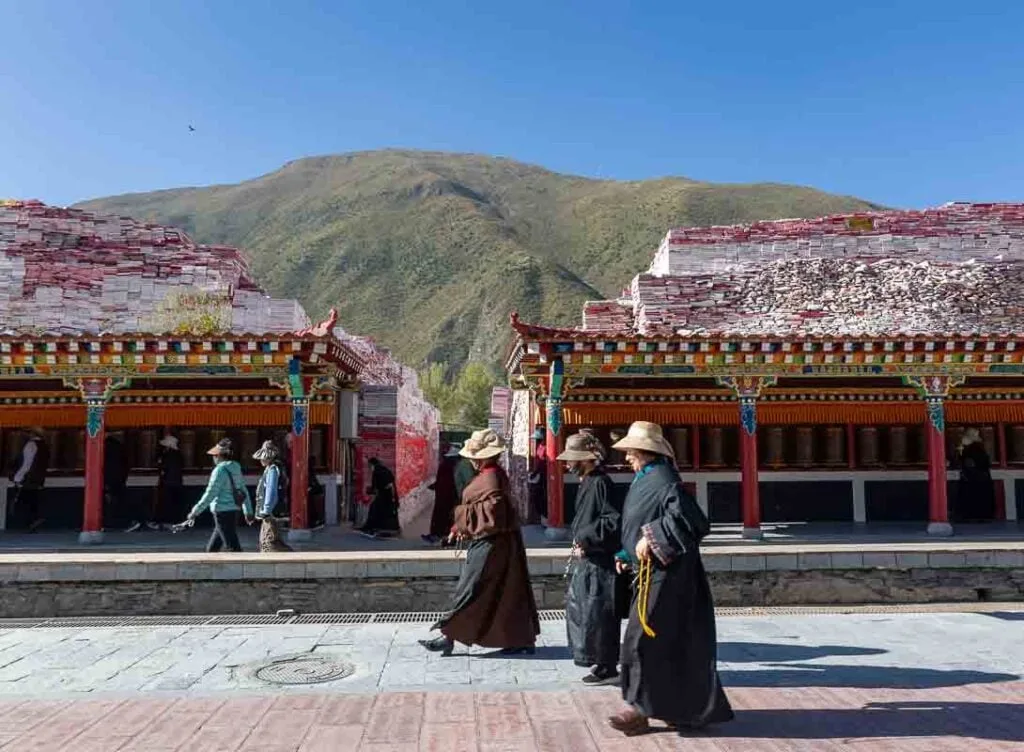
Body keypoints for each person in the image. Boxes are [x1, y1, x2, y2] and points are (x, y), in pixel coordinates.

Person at [607, 421, 733, 736]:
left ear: (646, 451)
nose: (627, 459)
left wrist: (652, 538)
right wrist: (627, 554)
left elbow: (693, 521)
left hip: (670, 578)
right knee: (672, 644)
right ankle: (681, 709)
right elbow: (641, 520)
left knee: (640, 640)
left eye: (631, 452)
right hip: (652, 574)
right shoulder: (645, 478)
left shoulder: (665, 479)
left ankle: (639, 709)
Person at [418, 429, 540, 657]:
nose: (472, 459)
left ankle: (448, 635)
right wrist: (459, 526)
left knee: (471, 588)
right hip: (492, 542)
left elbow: (493, 513)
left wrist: (461, 516)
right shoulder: (488, 475)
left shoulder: (492, 477)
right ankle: (516, 639)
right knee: (502, 592)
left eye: (474, 455)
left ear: (484, 456)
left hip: (493, 544)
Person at [559, 430, 625, 685]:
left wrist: (586, 539)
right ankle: (598, 661)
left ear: (585, 459)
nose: (567, 464)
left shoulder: (600, 483)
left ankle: (608, 666)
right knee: (587, 613)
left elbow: (612, 522)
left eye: (572, 459)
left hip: (601, 563)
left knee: (601, 615)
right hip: (590, 559)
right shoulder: (588, 481)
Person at [186, 438, 254, 552]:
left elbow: (210, 493)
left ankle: (241, 569)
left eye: (215, 455)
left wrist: (195, 511)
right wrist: (248, 511)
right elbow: (243, 490)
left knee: (233, 547)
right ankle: (209, 568)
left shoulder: (219, 471)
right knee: (212, 549)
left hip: (222, 511)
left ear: (220, 456)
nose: (214, 458)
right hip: (234, 510)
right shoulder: (236, 468)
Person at [253, 440, 292, 552]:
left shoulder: (273, 470)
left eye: (263, 457)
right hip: (274, 511)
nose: (261, 460)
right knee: (273, 539)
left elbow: (271, 491)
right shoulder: (274, 468)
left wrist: (266, 510)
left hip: (271, 513)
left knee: (267, 541)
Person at [8, 427, 49, 532]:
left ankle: (31, 521)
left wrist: (18, 477)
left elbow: (27, 464)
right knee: (32, 500)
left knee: (24, 501)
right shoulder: (44, 446)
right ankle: (33, 521)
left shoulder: (31, 445)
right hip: (38, 479)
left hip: (28, 479)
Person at [423, 444, 461, 544]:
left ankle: (440, 535)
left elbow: (446, 482)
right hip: (449, 495)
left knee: (442, 517)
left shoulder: (447, 465)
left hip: (445, 496)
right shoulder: (453, 465)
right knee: (447, 517)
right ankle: (443, 535)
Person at [957, 428, 996, 522]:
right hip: (982, 478)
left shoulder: (970, 450)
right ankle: (983, 516)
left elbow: (967, 463)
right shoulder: (980, 449)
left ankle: (971, 516)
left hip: (972, 478)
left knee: (971, 498)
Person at [358, 457, 400, 539]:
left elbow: (375, 487)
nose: (369, 468)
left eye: (369, 466)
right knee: (385, 511)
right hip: (390, 496)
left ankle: (371, 528)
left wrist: (369, 491)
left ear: (372, 464)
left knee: (375, 509)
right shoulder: (386, 470)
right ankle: (388, 528)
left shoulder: (376, 472)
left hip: (384, 496)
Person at [155, 435, 185, 530]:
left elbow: (163, 467)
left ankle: (168, 523)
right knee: (175, 503)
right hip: (177, 482)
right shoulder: (179, 455)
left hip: (168, 482)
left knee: (167, 504)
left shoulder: (168, 455)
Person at [528, 427, 548, 523]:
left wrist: (536, 472)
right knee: (536, 497)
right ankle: (542, 516)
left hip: (545, 475)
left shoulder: (547, 447)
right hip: (539, 475)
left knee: (543, 496)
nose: (538, 440)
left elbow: (542, 463)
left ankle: (546, 517)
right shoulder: (540, 446)